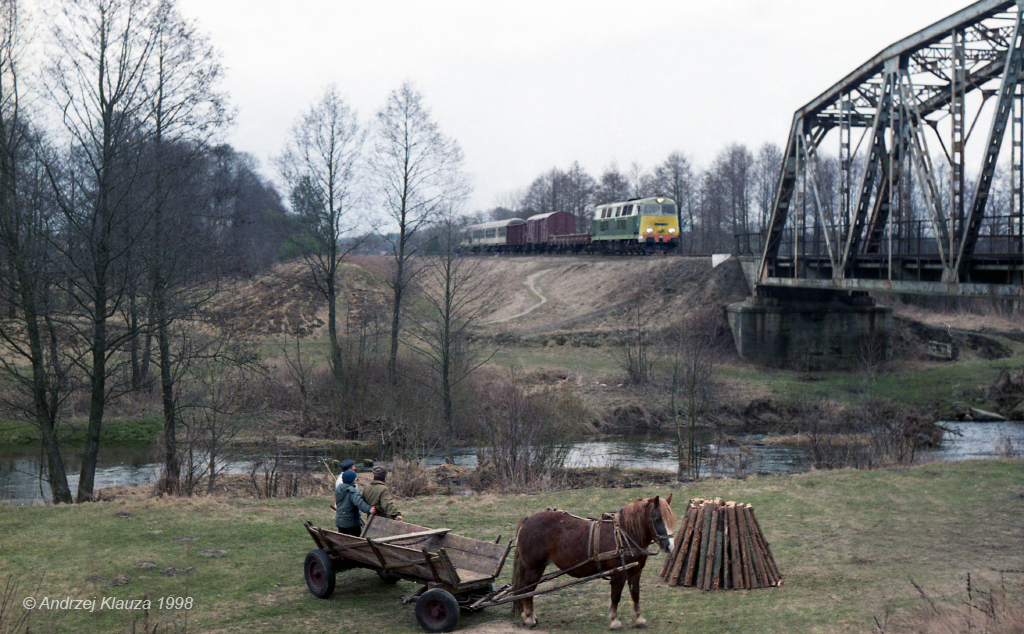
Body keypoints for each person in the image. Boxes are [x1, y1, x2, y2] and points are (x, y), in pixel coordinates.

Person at [335, 469, 374, 536]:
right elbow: (359, 503)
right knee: (356, 541)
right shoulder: (352, 491)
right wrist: (369, 509)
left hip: (340, 521)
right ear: (351, 479)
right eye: (354, 477)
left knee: (343, 540)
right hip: (351, 522)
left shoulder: (339, 489)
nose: (356, 479)